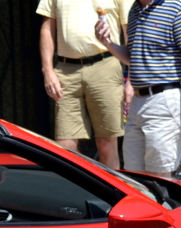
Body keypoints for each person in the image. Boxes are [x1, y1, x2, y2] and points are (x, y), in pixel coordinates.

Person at [95, 0, 181, 178]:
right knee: (134, 176)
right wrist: (108, 43)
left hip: (164, 100)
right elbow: (133, 57)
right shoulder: (135, 9)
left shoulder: (179, 7)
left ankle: (168, 206)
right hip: (138, 102)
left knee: (159, 176)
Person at [37, 0, 131, 169]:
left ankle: (112, 193)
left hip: (105, 66)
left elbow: (130, 32)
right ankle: (77, 192)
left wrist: (131, 79)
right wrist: (47, 70)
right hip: (66, 70)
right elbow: (47, 28)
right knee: (65, 145)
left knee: (107, 143)